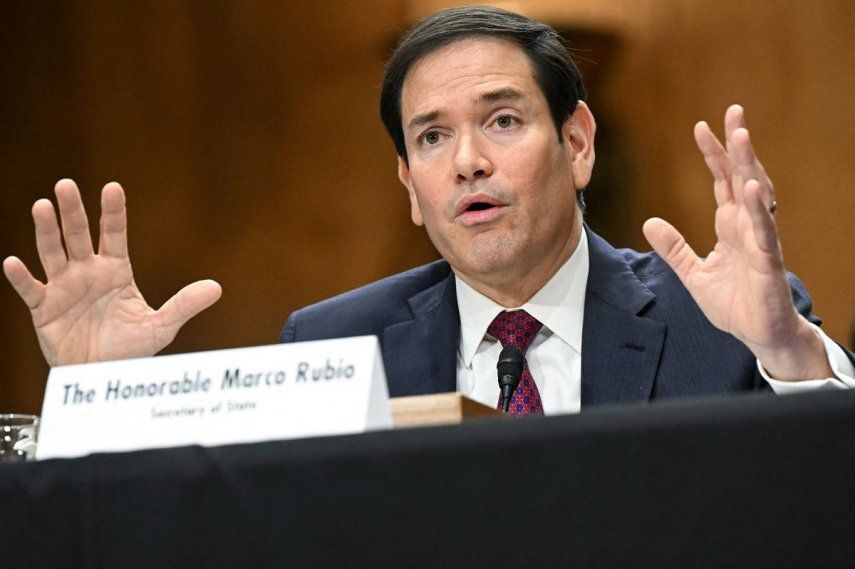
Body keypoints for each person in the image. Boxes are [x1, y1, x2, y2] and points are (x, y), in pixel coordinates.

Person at [4, 6, 853, 415]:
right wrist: (99, 395)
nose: (469, 161)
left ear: (579, 142)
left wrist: (786, 353)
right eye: (432, 137)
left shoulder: (722, 321)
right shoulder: (332, 345)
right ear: (409, 185)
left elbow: (818, 506)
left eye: (503, 121)